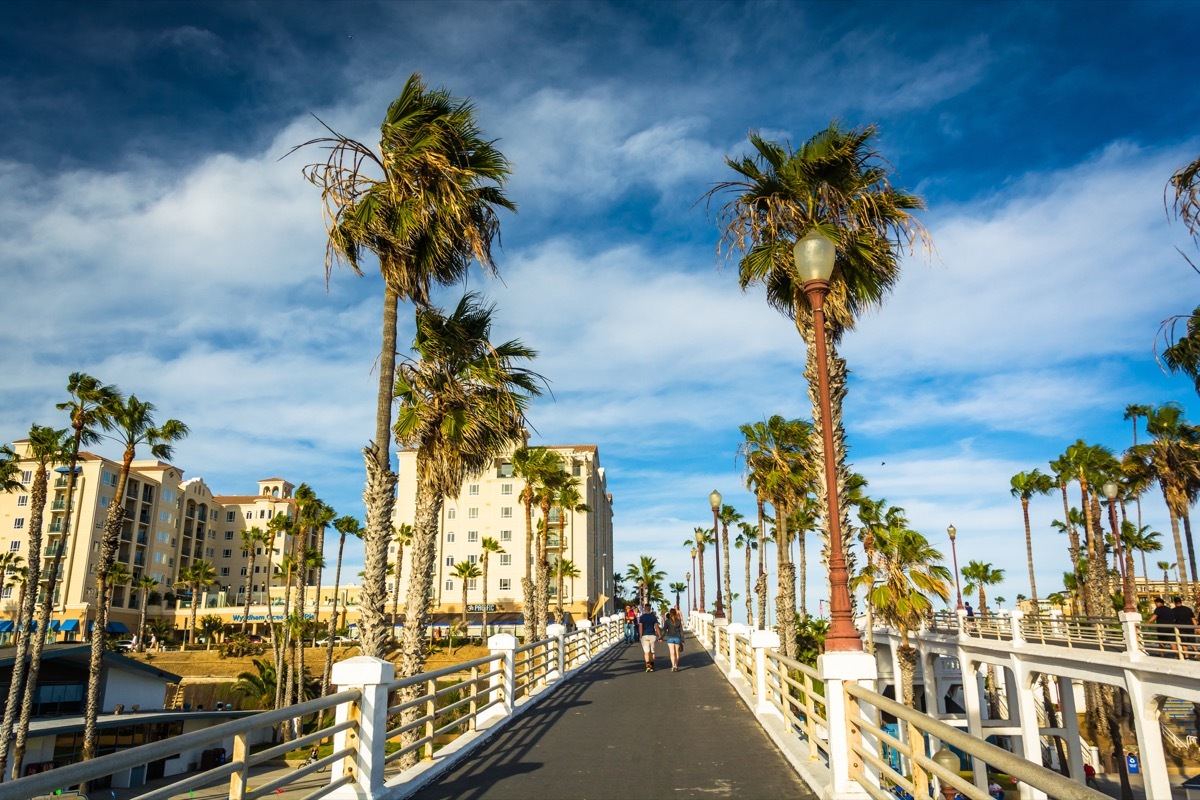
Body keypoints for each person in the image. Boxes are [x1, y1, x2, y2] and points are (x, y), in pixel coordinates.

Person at [638, 602, 660, 672]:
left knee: (646, 652)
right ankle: (652, 666)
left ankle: (647, 665)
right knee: (652, 651)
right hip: (652, 635)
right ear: (650, 609)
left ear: (645, 609)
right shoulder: (653, 616)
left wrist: (640, 635)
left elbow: (641, 627)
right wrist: (659, 635)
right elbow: (656, 626)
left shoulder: (642, 617)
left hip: (644, 635)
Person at [662, 607, 685, 672]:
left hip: (670, 638)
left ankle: (673, 666)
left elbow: (664, 630)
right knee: (677, 653)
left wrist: (661, 637)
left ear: (670, 614)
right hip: (677, 638)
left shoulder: (667, 621)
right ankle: (676, 666)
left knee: (672, 653)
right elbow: (681, 631)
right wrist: (682, 640)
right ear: (675, 613)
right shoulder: (678, 621)